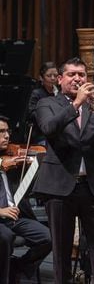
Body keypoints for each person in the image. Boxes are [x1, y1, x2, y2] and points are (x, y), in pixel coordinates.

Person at [33, 57, 94, 283]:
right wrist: (75, 104)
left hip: (93, 186)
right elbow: (49, 128)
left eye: (81, 75)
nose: (77, 79)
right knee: (62, 251)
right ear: (60, 79)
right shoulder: (47, 104)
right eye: (72, 74)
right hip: (60, 186)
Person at [0, 115, 52, 284]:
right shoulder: (4, 161)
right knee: (5, 237)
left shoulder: (13, 158)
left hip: (16, 217)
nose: (7, 136)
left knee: (48, 238)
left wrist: (34, 169)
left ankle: (18, 267)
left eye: (8, 131)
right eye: (1, 132)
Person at [27, 61, 59, 145]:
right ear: (41, 78)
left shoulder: (60, 92)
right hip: (41, 133)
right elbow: (31, 112)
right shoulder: (36, 93)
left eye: (55, 75)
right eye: (49, 76)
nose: (53, 78)